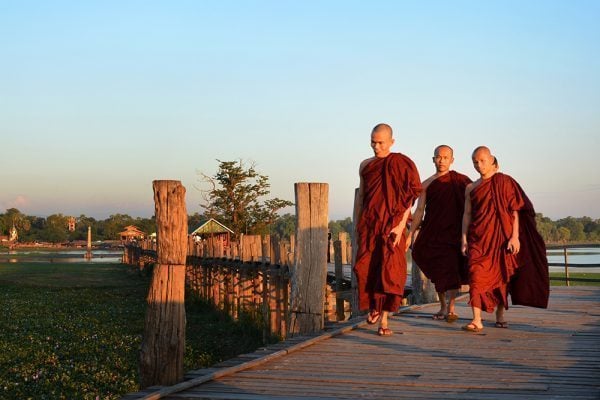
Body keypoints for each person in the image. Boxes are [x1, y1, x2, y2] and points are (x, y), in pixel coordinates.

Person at [461, 146, 549, 332]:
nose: (479, 165)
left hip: (501, 238)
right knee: (475, 275)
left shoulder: (504, 182)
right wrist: (464, 238)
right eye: (475, 162)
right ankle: (476, 319)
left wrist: (515, 237)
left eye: (482, 161)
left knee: (501, 277)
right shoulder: (471, 188)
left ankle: (500, 315)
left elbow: (514, 210)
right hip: (478, 238)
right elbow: (467, 215)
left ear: (492, 161)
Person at [354, 123, 422, 336]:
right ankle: (374, 306)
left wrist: (400, 227)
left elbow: (408, 199)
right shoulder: (365, 165)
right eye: (373, 142)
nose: (376, 146)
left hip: (393, 227)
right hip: (370, 224)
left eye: (381, 142)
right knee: (365, 268)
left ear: (392, 142)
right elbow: (362, 198)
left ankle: (384, 321)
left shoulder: (402, 164)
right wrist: (357, 224)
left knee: (389, 273)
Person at [407, 145, 472, 322]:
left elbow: (474, 204)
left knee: (451, 270)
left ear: (452, 160)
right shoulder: (426, 184)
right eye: (438, 157)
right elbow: (419, 210)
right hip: (433, 232)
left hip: (455, 233)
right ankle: (443, 305)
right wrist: (411, 234)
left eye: (445, 157)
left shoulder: (461, 181)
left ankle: (450, 308)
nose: (441, 160)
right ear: (433, 159)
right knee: (437, 270)